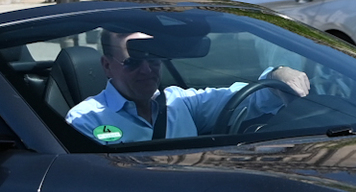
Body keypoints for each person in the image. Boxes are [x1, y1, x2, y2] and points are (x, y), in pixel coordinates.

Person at [64, 30, 311, 144]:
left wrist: (279, 73)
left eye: (153, 59)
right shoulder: (86, 119)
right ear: (107, 66)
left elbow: (248, 99)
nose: (147, 70)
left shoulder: (181, 102)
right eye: (133, 62)